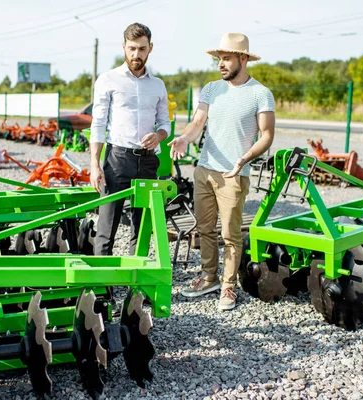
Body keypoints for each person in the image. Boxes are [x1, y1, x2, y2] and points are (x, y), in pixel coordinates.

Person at [169, 33, 276, 311]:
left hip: (233, 174)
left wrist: (245, 158)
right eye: (219, 59)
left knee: (230, 234)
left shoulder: (260, 94)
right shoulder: (211, 89)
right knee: (204, 229)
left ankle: (228, 286)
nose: (220, 64)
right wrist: (184, 138)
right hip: (205, 170)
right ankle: (209, 278)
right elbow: (197, 123)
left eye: (226, 58)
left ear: (243, 58)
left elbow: (266, 136)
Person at [90, 22, 171, 256]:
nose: (137, 54)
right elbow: (98, 124)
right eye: (132, 48)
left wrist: (158, 136)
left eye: (142, 49)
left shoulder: (158, 85)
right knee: (107, 226)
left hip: (147, 163)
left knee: (142, 227)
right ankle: (101, 288)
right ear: (124, 47)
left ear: (150, 48)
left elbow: (165, 124)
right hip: (117, 160)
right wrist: (95, 164)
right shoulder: (108, 80)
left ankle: (138, 286)